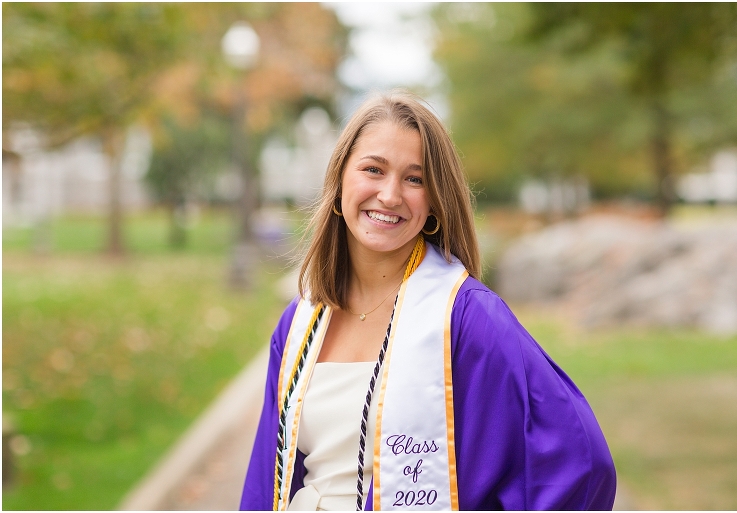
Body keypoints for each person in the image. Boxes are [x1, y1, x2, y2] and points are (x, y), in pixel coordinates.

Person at [240, 91, 616, 511]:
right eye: (373, 169)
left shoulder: (466, 317)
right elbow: (265, 478)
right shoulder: (300, 323)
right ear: (340, 180)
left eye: (414, 179)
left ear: (434, 200)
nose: (390, 195)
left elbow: (581, 461)